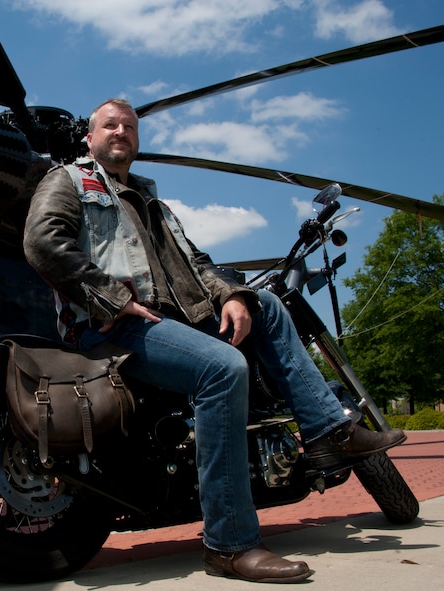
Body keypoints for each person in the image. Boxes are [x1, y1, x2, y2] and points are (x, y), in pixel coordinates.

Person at [22, 98, 406, 584]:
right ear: (89, 137)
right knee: (223, 368)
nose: (121, 131)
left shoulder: (151, 201)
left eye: (129, 126)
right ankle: (230, 545)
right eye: (110, 125)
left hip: (173, 321)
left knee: (267, 306)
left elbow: (198, 262)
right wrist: (111, 298)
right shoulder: (68, 180)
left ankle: (329, 433)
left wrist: (232, 295)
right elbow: (41, 242)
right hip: (112, 327)